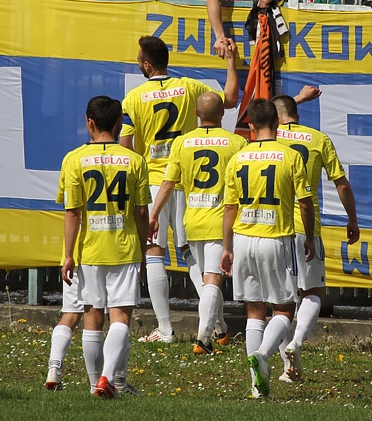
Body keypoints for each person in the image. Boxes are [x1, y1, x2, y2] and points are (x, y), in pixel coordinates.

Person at [121, 35, 239, 344]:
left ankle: (165, 329)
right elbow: (229, 98)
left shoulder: (134, 97)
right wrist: (230, 61)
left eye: (138, 60)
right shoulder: (189, 87)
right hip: (188, 181)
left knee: (154, 252)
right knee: (190, 254)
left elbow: (126, 149)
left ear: (147, 65)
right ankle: (217, 324)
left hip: (155, 183)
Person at [220, 98, 314, 399]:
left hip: (243, 238)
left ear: (249, 126)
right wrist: (309, 237)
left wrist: (226, 247)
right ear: (277, 122)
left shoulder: (238, 157)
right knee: (284, 309)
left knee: (254, 311)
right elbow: (305, 203)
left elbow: (229, 208)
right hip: (277, 237)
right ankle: (263, 353)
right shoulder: (289, 156)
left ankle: (256, 387)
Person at [60, 95, 150, 398]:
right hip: (123, 247)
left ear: (89, 123)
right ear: (119, 123)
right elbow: (140, 212)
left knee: (92, 314)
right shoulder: (135, 160)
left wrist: (68, 254)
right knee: (120, 316)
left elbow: (72, 212)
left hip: (90, 249)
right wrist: (142, 245)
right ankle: (108, 379)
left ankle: (93, 382)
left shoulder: (74, 159)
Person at [149, 92, 248, 355]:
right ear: (222, 114)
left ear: (196, 114)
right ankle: (203, 340)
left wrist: (153, 215)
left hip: (192, 221)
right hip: (220, 221)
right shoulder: (236, 142)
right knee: (213, 282)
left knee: (208, 281)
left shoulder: (182, 143)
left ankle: (220, 331)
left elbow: (168, 182)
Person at [271, 94, 358, 383]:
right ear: (297, 112)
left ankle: (287, 368)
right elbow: (341, 183)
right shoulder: (318, 139)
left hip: (272, 229)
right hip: (306, 226)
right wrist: (352, 218)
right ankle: (297, 342)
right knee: (312, 293)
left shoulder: (265, 140)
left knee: (282, 301)